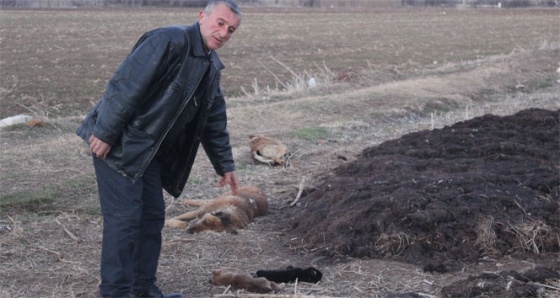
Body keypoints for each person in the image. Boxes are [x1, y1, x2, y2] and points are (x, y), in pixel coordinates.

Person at [76, 1, 242, 297]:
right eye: (219, 23)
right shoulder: (169, 40)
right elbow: (126, 85)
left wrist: (225, 165)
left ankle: (142, 289)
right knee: (124, 222)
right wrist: (105, 131)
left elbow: (213, 120)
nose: (223, 33)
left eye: (230, 29)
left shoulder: (211, 65)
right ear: (202, 16)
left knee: (151, 218)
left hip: (149, 154)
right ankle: (115, 292)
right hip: (119, 146)